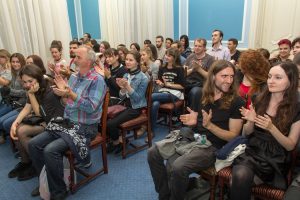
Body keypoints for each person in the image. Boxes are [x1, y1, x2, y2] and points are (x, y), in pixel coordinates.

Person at [148, 60, 244, 200]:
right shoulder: (201, 95)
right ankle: (164, 194)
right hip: (193, 137)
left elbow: (233, 136)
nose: (229, 80)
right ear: (212, 77)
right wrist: (193, 122)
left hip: (213, 146)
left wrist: (210, 126)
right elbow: (196, 122)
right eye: (224, 76)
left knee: (178, 166)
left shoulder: (237, 102)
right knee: (153, 152)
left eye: (231, 76)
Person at [28, 45, 107, 199]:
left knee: (50, 150)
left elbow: (91, 107)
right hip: (68, 123)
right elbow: (67, 103)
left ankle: (58, 192)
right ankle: (47, 181)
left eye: (78, 57)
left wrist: (69, 93)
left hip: (86, 127)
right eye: (75, 56)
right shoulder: (74, 76)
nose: (74, 60)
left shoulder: (98, 80)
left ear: (89, 61)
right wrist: (63, 94)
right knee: (33, 144)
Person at [230, 62, 300, 200]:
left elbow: (290, 145)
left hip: (275, 158)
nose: (271, 81)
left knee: (238, 180)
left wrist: (271, 128)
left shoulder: (296, 107)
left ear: (291, 81)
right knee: (240, 176)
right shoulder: (258, 98)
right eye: (269, 76)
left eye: (278, 77)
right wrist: (250, 121)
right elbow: (246, 134)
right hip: (253, 151)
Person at [8, 64, 65, 181]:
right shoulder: (34, 87)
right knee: (17, 128)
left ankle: (38, 165)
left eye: (30, 81)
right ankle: (26, 162)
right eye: (24, 82)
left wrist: (31, 94)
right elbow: (27, 107)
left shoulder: (49, 88)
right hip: (45, 120)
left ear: (38, 78)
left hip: (56, 124)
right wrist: (15, 122)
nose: (27, 84)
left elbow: (39, 113)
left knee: (22, 131)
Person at [106, 50, 148, 154]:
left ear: (137, 62)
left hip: (135, 108)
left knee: (110, 124)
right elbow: (121, 96)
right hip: (125, 105)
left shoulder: (143, 78)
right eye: (126, 60)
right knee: (103, 119)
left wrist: (127, 86)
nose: (127, 62)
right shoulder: (126, 75)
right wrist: (122, 89)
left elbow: (138, 99)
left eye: (131, 60)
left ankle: (117, 143)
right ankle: (118, 140)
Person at [151, 48, 185, 137]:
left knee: (151, 96)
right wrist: (161, 83)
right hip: (164, 92)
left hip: (175, 93)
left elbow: (182, 86)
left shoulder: (179, 69)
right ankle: (151, 130)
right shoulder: (162, 68)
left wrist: (168, 84)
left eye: (169, 56)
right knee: (154, 104)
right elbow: (162, 84)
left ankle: (143, 119)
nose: (166, 57)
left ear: (174, 58)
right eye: (166, 55)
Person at [0, 53, 27, 144]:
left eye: (18, 62)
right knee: (2, 121)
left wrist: (10, 91)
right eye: (13, 62)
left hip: (22, 105)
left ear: (22, 62)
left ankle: (18, 143)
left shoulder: (24, 74)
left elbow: (25, 93)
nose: (15, 64)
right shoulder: (14, 73)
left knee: (4, 122)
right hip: (14, 102)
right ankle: (14, 142)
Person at [184, 38, 215, 112]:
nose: (196, 48)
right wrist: (192, 70)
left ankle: (192, 114)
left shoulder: (210, 59)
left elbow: (211, 77)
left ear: (204, 48)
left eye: (199, 46)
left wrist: (199, 69)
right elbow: (184, 73)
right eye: (195, 46)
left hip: (202, 85)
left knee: (195, 92)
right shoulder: (190, 57)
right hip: (188, 83)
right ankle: (178, 114)